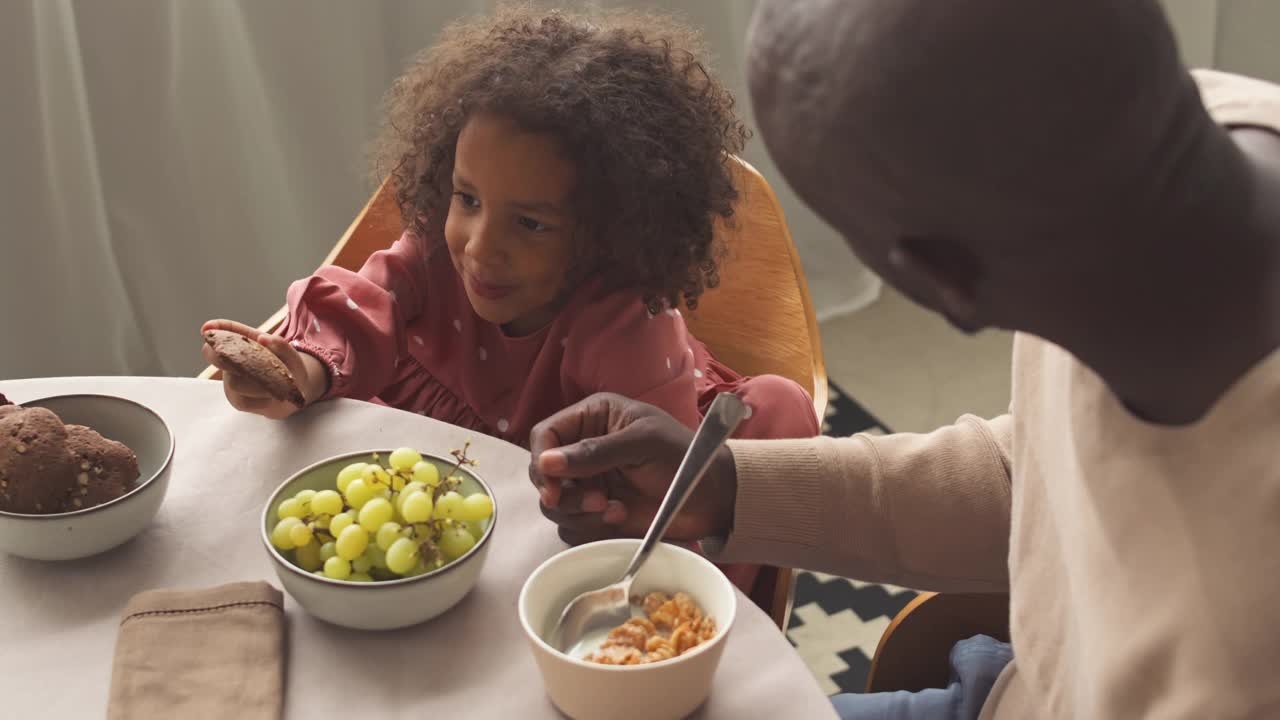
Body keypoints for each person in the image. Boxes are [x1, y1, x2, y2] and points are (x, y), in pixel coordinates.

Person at [528, 1, 1280, 718]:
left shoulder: (1236, 668)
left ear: (945, 284)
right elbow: (1044, 476)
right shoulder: (1151, 162)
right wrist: (725, 484)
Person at [199, 5, 818, 597]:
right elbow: (359, 312)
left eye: (530, 224)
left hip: (584, 517)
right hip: (450, 501)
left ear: (609, 233)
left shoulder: (627, 327)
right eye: (467, 199)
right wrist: (300, 371)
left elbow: (648, 499)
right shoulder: (433, 254)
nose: (479, 248)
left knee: (773, 417)